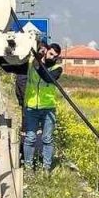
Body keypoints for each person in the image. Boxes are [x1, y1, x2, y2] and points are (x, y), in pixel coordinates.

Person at [22, 42, 63, 170]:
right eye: (51, 54)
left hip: (48, 108)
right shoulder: (31, 62)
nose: (52, 57)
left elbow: (48, 78)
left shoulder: (58, 68)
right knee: (30, 138)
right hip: (31, 107)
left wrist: (38, 64)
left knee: (47, 138)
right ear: (46, 51)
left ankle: (46, 168)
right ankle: (28, 167)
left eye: (55, 56)